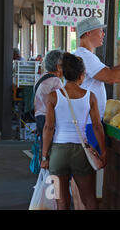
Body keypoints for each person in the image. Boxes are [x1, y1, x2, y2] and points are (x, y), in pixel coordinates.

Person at [73, 17, 120, 153]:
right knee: (89, 164)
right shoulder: (85, 56)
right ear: (89, 33)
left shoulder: (86, 55)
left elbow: (109, 72)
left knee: (90, 163)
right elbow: (111, 78)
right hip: (88, 122)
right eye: (100, 31)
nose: (103, 34)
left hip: (89, 120)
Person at [41, 52, 106, 210]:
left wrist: (44, 156)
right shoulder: (90, 96)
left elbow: (48, 127)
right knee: (89, 198)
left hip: (58, 152)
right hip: (81, 151)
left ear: (63, 73)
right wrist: (103, 151)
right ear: (82, 75)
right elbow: (97, 126)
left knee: (61, 201)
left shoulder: (52, 97)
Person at [33, 49, 64, 155]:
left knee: (44, 147)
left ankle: (44, 167)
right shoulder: (56, 81)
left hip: (39, 117)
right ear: (58, 66)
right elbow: (61, 102)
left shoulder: (42, 77)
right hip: (49, 119)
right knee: (51, 150)